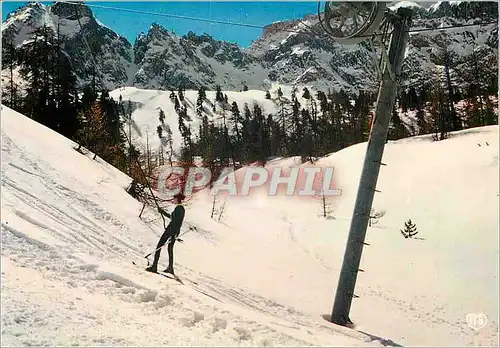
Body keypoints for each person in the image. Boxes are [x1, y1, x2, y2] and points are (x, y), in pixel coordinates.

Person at [146, 193, 185, 274]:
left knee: (159, 246)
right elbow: (173, 218)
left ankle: (154, 267)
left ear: (177, 199)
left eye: (174, 198)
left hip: (171, 231)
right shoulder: (180, 208)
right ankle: (170, 268)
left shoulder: (179, 209)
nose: (173, 200)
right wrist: (162, 212)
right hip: (173, 231)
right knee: (170, 249)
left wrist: (174, 234)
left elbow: (177, 222)